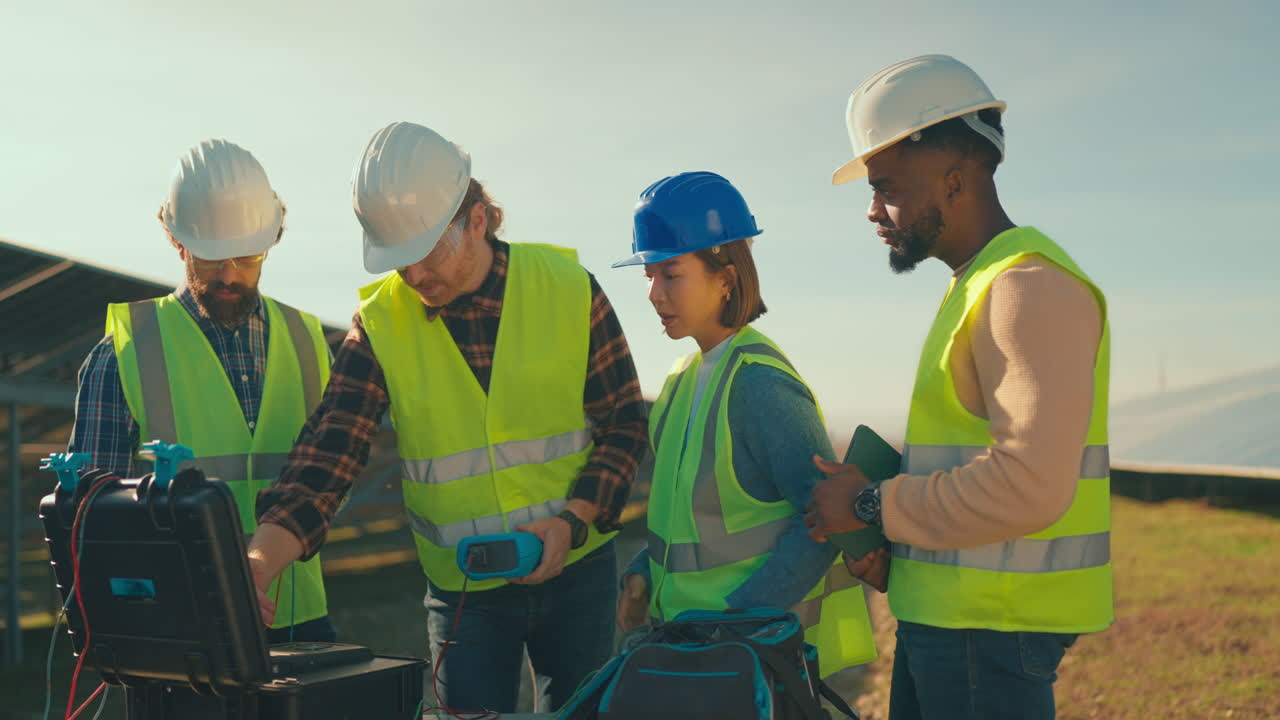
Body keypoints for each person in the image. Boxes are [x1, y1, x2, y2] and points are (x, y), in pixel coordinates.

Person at [245, 122, 649, 713]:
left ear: (477, 220)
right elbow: (329, 452)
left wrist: (573, 522)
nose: (413, 277)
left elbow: (624, 424)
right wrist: (257, 564)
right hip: (465, 593)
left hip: (577, 571)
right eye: (398, 261)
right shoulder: (380, 324)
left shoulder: (567, 288)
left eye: (426, 252)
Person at [806, 55, 1113, 720]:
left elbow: (1029, 485)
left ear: (954, 178)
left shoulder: (1025, 288)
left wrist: (869, 504)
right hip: (955, 626)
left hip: (987, 634)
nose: (872, 211)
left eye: (885, 186)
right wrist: (896, 543)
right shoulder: (979, 285)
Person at [67, 138, 336, 642]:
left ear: (274, 238)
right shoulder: (125, 352)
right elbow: (94, 516)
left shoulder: (309, 341)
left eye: (246, 256)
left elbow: (332, 475)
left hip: (298, 618)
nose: (229, 274)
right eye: (211, 257)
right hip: (179, 624)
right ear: (177, 241)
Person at [613, 171, 876, 678]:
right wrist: (642, 573)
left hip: (751, 660)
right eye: (648, 276)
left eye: (671, 274)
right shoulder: (680, 381)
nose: (653, 293)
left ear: (726, 277)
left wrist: (735, 625)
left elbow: (823, 525)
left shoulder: (760, 383)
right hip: (691, 649)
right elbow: (690, 522)